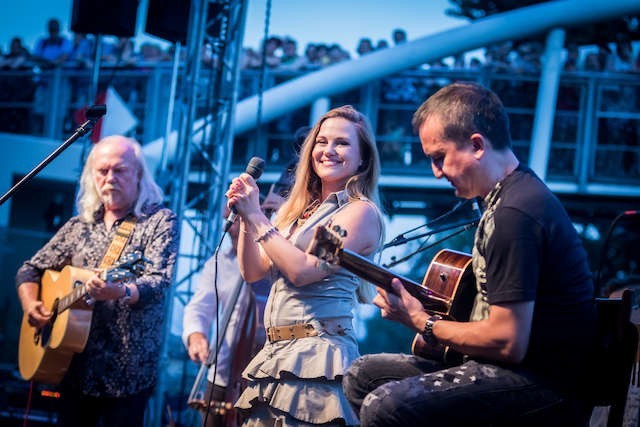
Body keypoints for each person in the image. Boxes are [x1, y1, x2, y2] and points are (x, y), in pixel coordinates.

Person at [343, 82, 597, 426]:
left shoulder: (514, 213)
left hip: (542, 383)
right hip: (507, 370)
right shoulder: (501, 201)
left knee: (386, 405)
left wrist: (422, 321)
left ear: (477, 145)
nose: (436, 172)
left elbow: (508, 342)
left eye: (439, 157)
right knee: (363, 375)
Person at [226, 105, 384, 425]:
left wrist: (257, 215)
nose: (328, 150)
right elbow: (253, 271)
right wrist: (246, 218)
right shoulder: (297, 212)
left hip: (318, 357)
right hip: (276, 354)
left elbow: (305, 271)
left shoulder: (358, 213)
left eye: (341, 143)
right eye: (321, 142)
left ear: (363, 158)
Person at [16, 135, 179, 427]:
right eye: (102, 171)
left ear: (139, 174)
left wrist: (120, 290)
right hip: (74, 365)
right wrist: (32, 305)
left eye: (119, 170)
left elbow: (158, 282)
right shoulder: (79, 226)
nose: (110, 178)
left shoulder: (159, 221)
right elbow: (30, 270)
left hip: (127, 372)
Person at [182, 205, 271, 427]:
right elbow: (199, 307)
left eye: (242, 220)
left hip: (266, 379)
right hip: (222, 375)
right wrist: (196, 336)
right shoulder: (218, 263)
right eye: (231, 220)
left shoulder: (275, 262)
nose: (235, 227)